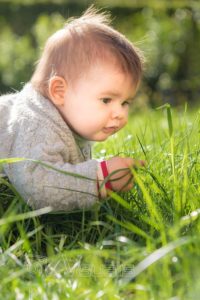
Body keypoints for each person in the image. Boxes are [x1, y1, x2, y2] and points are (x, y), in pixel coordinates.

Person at [0, 6, 144, 211]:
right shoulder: (36, 125)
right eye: (106, 100)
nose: (119, 113)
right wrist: (100, 178)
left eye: (125, 103)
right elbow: (37, 185)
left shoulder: (65, 118)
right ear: (60, 91)